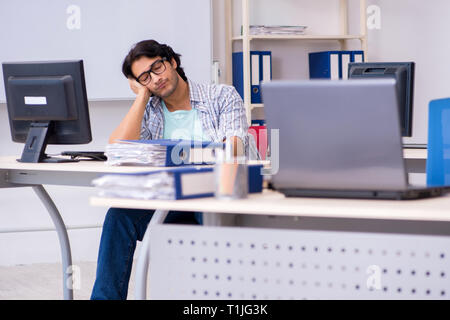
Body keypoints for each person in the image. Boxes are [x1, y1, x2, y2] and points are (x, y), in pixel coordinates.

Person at [91, 39, 258, 299]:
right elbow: (118, 150)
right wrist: (142, 97)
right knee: (119, 215)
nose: (155, 79)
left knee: (210, 219)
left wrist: (185, 155)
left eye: (157, 68)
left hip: (217, 201)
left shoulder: (222, 96)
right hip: (171, 206)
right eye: (144, 77)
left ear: (172, 62)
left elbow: (234, 147)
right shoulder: (151, 110)